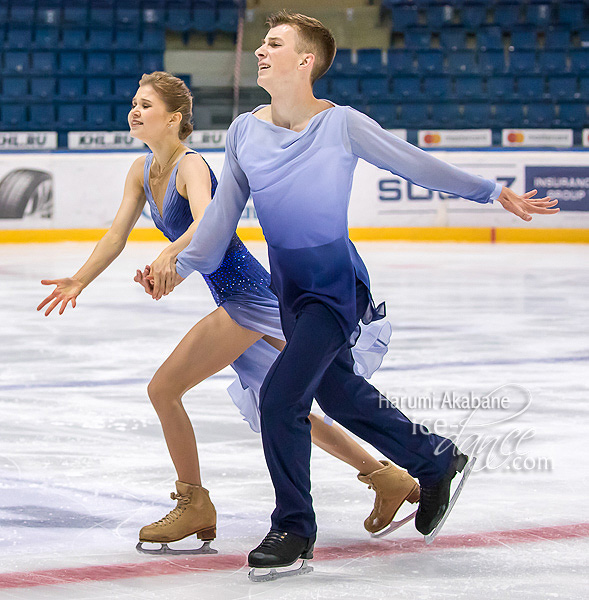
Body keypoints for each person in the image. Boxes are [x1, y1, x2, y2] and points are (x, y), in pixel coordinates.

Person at [164, 12, 559, 574]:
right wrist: (181, 264)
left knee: (280, 400)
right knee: (338, 394)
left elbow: (415, 165)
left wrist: (490, 192)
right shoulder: (244, 133)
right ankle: (435, 456)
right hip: (289, 291)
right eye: (262, 43)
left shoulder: (341, 125)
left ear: (306, 61)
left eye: (274, 44)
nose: (260, 50)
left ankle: (293, 527)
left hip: (333, 288)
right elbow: (221, 220)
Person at [37, 71, 420, 553]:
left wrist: (170, 256)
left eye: (146, 105)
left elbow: (208, 224)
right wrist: (79, 279)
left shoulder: (191, 166)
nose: (134, 111)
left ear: (175, 118)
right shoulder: (141, 170)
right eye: (134, 103)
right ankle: (387, 478)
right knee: (279, 405)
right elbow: (116, 236)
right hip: (235, 298)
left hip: (250, 297)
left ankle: (194, 502)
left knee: (166, 388)